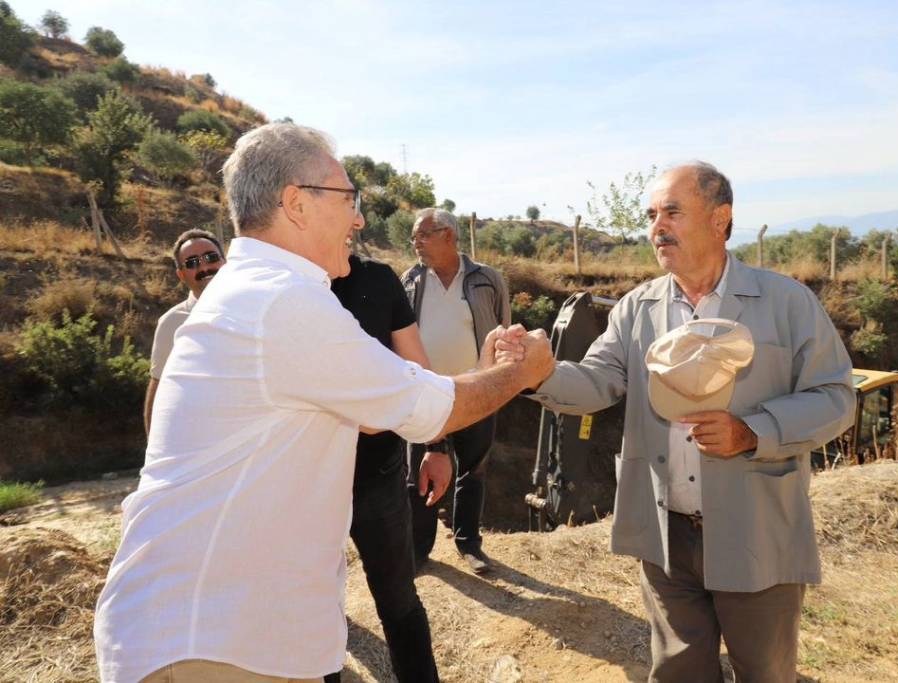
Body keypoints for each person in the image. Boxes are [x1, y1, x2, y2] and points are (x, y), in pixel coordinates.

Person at [93, 123, 554, 683]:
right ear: (296, 204)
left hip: (231, 634)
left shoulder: (262, 294)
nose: (359, 219)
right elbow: (429, 407)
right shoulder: (281, 302)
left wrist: (482, 373)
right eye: (348, 199)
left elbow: (385, 398)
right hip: (215, 644)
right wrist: (518, 372)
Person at [502, 162, 855, 682]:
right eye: (651, 215)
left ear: (720, 219)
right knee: (678, 672)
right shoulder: (635, 309)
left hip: (756, 529)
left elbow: (835, 397)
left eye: (672, 211)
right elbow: (598, 381)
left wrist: (753, 431)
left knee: (766, 672)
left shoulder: (786, 303)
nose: (656, 227)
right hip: (667, 537)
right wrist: (538, 374)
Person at [324, 254, 449, 683]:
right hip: (308, 486)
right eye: (346, 204)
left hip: (378, 477)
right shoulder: (288, 289)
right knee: (317, 612)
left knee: (399, 601)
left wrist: (437, 445)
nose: (356, 218)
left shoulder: (377, 279)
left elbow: (418, 369)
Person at [401, 208, 511, 574]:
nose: (414, 242)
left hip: (476, 391)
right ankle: (419, 550)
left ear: (448, 235)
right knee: (420, 471)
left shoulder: (487, 279)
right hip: (426, 392)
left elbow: (502, 329)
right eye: (414, 236)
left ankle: (468, 544)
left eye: (422, 235)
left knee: (473, 469)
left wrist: (499, 379)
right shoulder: (411, 280)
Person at [144, 229, 224, 435]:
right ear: (181, 274)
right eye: (192, 263)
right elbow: (158, 396)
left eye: (211, 258)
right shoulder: (171, 324)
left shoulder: (256, 307)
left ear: (225, 262)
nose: (205, 267)